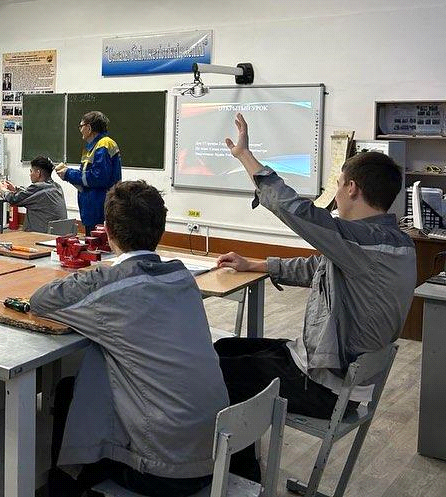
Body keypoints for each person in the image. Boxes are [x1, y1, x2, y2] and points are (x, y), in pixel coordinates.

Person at [213, 113, 416, 479]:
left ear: (351, 188)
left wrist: (245, 156)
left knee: (215, 372)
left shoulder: (363, 242)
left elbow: (294, 209)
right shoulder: (392, 241)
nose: (335, 193)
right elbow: (317, 269)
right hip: (330, 368)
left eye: (337, 184)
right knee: (224, 347)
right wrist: (256, 264)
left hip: (325, 386)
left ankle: (242, 476)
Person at [30, 180, 227, 497]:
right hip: (213, 452)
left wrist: (97, 274)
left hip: (163, 469)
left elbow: (42, 301)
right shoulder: (183, 277)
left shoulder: (110, 286)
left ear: (106, 231)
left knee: (74, 388)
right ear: (161, 230)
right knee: (95, 372)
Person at [55, 111, 121, 234]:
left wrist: (69, 174)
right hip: (91, 207)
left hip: (100, 207)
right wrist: (67, 173)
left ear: (89, 128)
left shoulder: (104, 144)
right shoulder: (91, 147)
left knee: (99, 242)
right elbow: (86, 176)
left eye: (81, 126)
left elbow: (98, 178)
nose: (80, 130)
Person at [0, 155, 67, 233]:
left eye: (31, 171)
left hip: (41, 235)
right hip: (59, 233)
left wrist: (3, 190)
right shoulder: (57, 187)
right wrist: (15, 189)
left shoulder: (37, 187)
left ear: (38, 173)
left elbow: (14, 199)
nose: (30, 174)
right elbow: (31, 194)